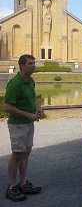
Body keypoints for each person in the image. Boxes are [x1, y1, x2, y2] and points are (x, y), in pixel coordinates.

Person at [4, 54, 43, 202]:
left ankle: (24, 183)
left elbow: (31, 99)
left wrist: (38, 109)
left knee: (26, 153)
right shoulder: (15, 83)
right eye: (29, 63)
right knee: (17, 154)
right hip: (18, 124)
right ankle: (12, 187)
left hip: (28, 123)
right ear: (21, 66)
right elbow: (7, 107)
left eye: (34, 63)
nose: (33, 65)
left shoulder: (31, 81)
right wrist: (28, 115)